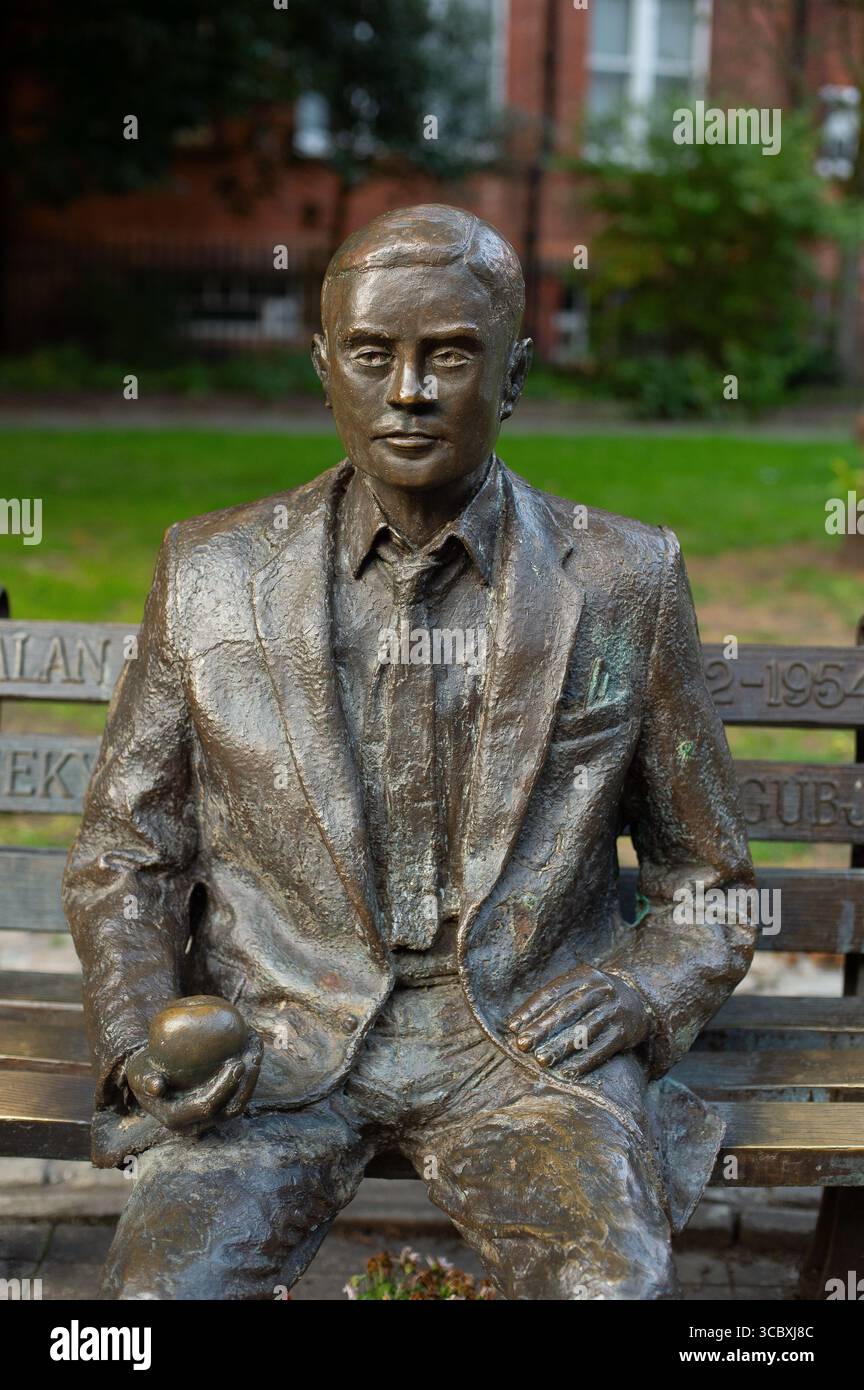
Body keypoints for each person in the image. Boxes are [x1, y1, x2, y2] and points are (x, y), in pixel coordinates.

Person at [63, 204, 756, 1300]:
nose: (409, 392)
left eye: (450, 356)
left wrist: (641, 990)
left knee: (608, 1292)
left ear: (515, 375)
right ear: (324, 366)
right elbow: (122, 855)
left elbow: (710, 882)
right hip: (277, 1043)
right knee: (153, 1305)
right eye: (373, 355)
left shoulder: (626, 578)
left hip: (523, 1051)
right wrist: (146, 1035)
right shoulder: (208, 574)